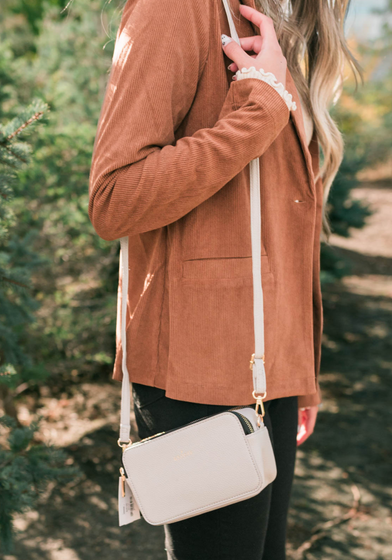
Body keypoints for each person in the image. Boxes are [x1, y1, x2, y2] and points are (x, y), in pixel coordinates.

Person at [88, 0, 360, 558]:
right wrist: (258, 111)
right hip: (200, 374)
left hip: (270, 367)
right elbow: (114, 199)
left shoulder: (264, 16)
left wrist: (299, 371)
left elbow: (283, 228)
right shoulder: (176, 10)